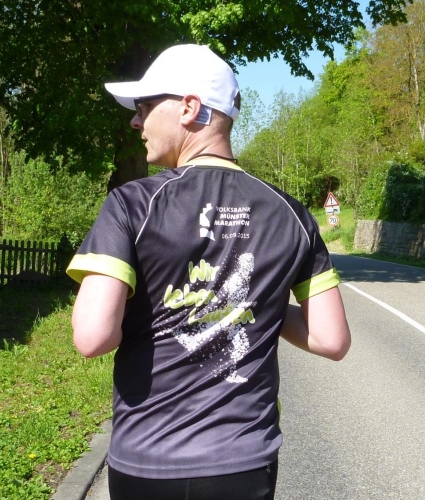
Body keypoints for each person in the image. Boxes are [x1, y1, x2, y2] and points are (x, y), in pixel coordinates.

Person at [66, 44, 351, 500]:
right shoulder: (292, 213)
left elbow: (92, 337)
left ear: (189, 107)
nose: (136, 121)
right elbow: (331, 339)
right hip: (244, 462)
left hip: (147, 461)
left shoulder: (132, 204)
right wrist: (247, 304)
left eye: (144, 106)